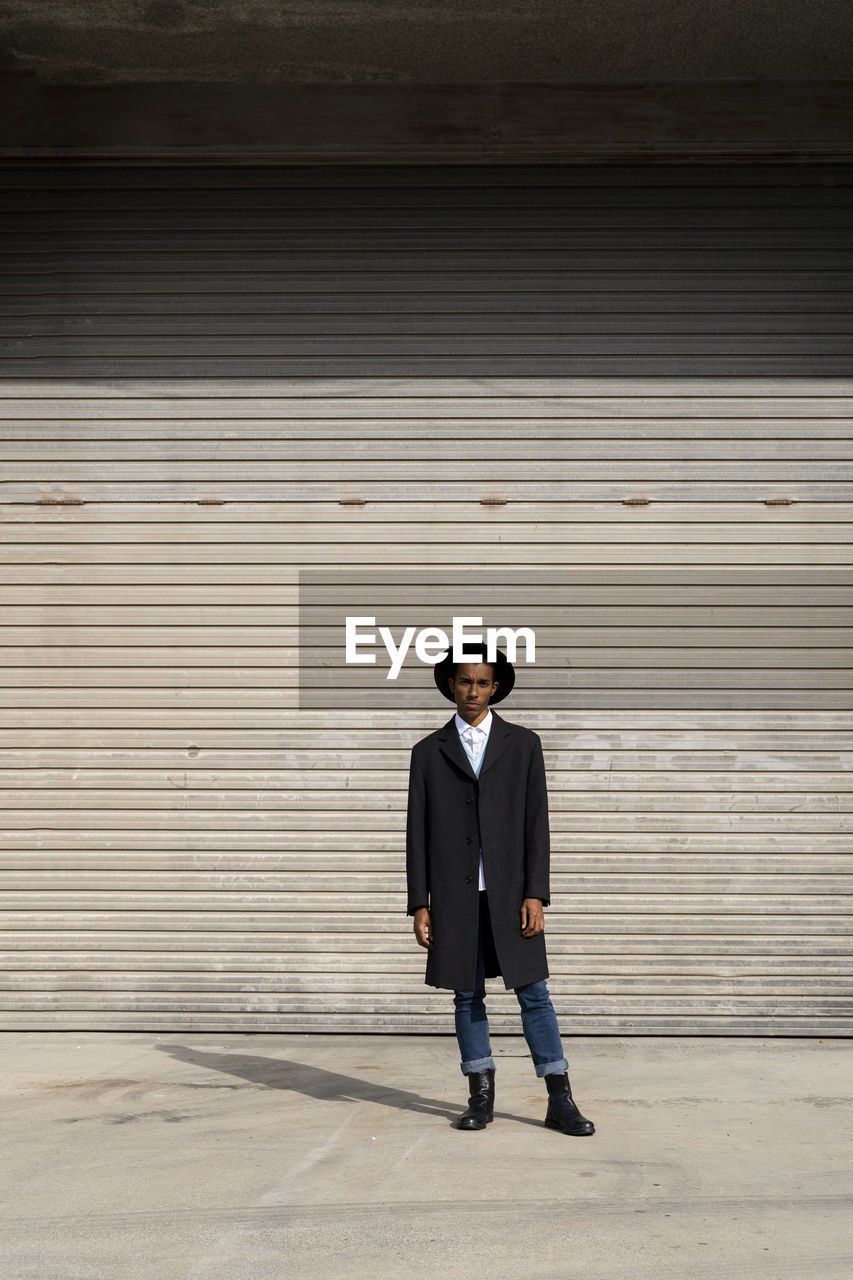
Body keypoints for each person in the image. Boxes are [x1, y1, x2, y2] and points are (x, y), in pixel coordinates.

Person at [405, 642, 595, 1135]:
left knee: (534, 994)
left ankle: (560, 1098)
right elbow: (417, 833)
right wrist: (419, 903)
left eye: (482, 682)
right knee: (466, 996)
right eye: (464, 681)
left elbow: (538, 825)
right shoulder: (428, 753)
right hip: (454, 898)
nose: (473, 691)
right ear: (450, 685)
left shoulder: (523, 745)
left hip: (511, 895)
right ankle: (480, 1096)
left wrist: (536, 893)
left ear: (496, 687)